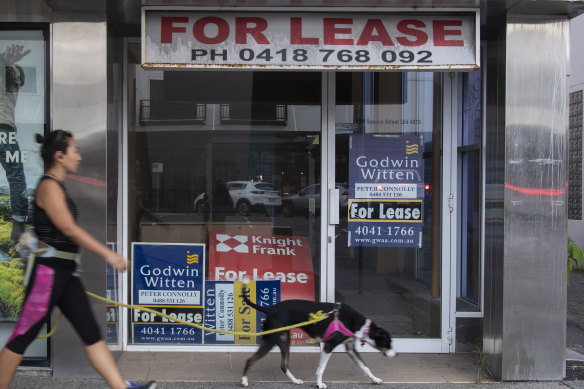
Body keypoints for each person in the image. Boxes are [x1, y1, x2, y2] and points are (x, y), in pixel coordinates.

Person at [0, 130, 155, 389]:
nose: (79, 157)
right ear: (59, 156)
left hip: (65, 274)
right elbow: (69, 229)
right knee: (22, 336)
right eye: (75, 151)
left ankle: (121, 387)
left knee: (91, 333)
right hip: (47, 276)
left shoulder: (57, 186)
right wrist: (108, 254)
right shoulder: (49, 186)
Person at [0, 44, 30, 241]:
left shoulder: (10, 72)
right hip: (4, 130)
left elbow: (8, 68)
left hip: (4, 128)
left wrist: (5, 60)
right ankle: (18, 226)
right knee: (16, 176)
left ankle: (18, 226)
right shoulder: (11, 73)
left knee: (16, 176)